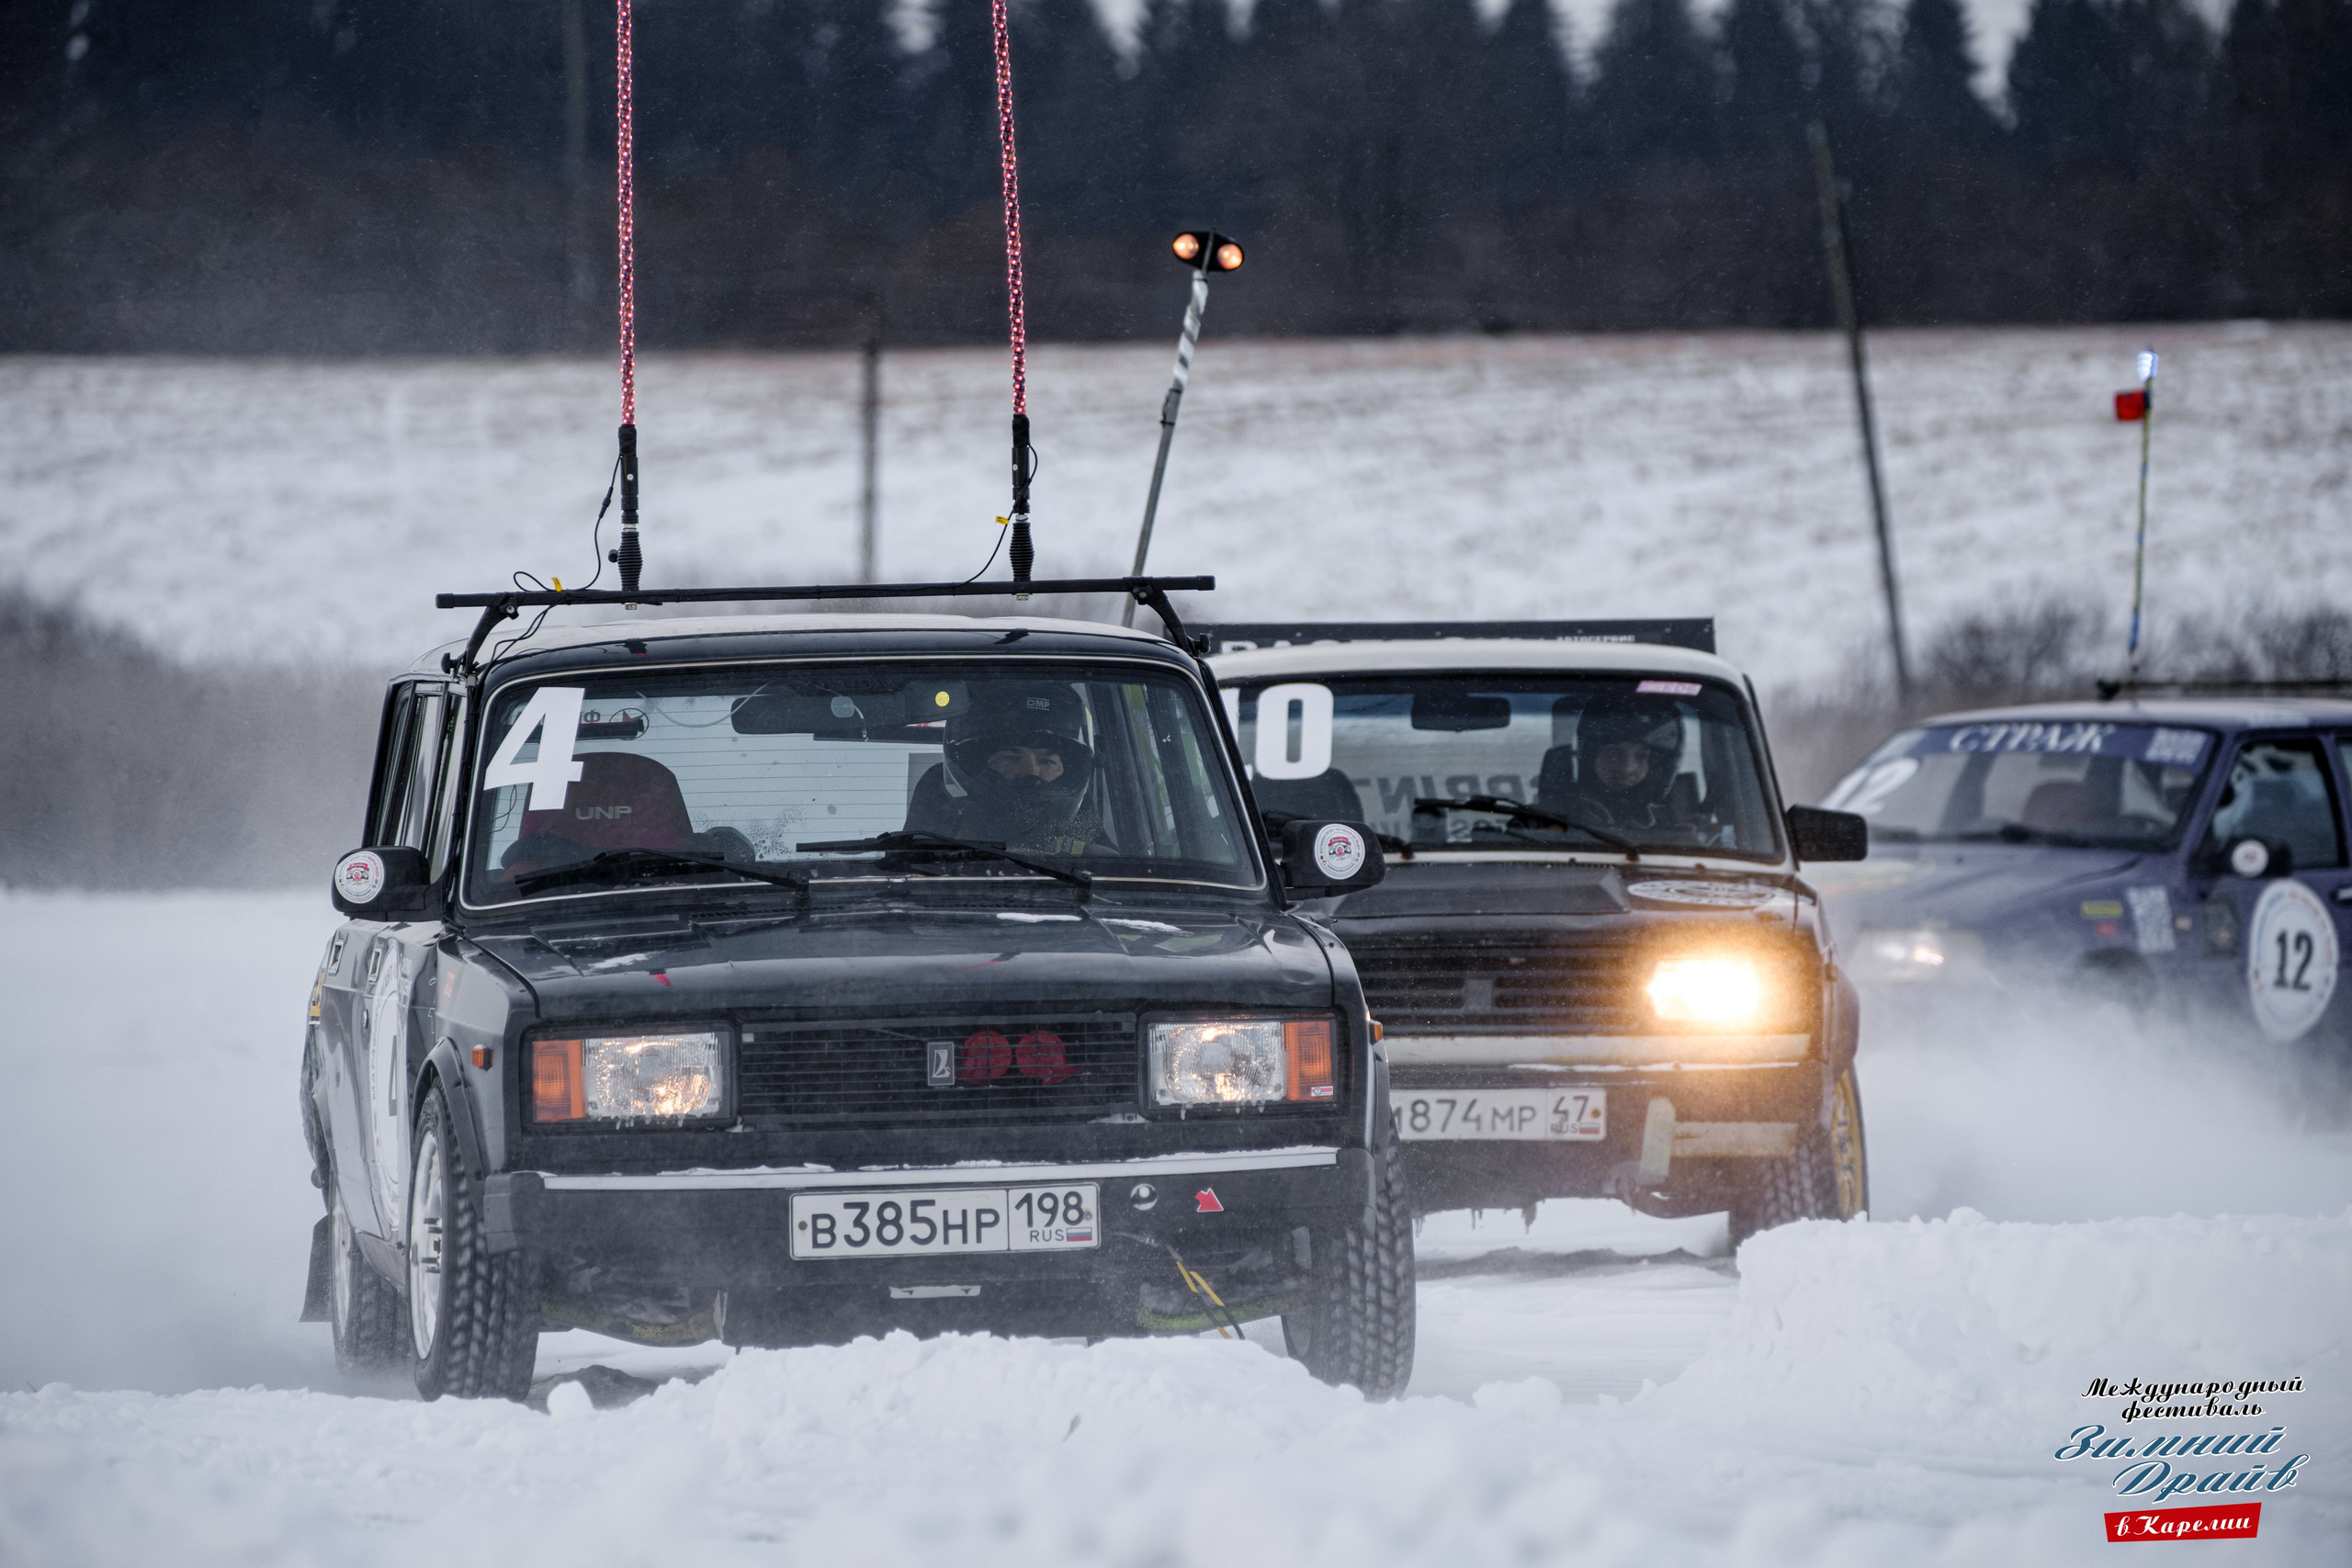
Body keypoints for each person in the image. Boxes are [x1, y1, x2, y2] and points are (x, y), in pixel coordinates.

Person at [907, 682, 1112, 855]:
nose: (1032, 773)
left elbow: (1111, 871)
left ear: (1071, 772)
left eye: (1047, 762)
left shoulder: (1088, 840)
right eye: (1011, 759)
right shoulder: (940, 805)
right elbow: (909, 864)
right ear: (977, 766)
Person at [1550, 692, 1689, 831]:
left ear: (1654, 764)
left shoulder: (1670, 819)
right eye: (1614, 753)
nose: (1628, 768)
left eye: (1641, 756)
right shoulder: (1559, 814)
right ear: (1590, 757)